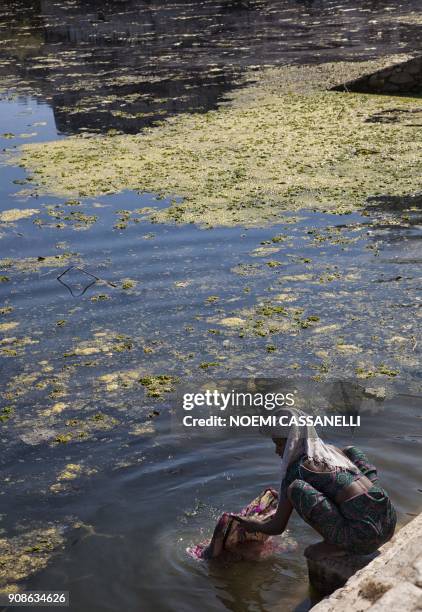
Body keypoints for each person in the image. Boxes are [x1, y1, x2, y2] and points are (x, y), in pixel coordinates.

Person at [199, 408, 396, 559]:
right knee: (352, 450)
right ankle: (354, 528)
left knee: (296, 489)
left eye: (280, 444)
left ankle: (337, 544)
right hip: (388, 522)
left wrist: (253, 524)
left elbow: (277, 527)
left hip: (362, 539)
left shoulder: (296, 470)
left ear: (293, 441)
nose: (277, 451)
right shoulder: (333, 452)